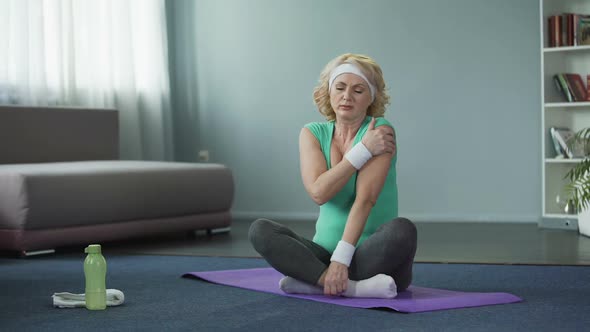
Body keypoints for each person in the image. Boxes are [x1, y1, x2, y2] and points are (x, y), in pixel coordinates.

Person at [248, 53, 417, 299]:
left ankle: (316, 281)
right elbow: (319, 192)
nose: (347, 96)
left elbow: (365, 200)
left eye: (358, 90)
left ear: (371, 97)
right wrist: (362, 151)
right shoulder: (313, 133)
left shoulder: (379, 131)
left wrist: (342, 259)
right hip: (324, 255)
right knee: (260, 230)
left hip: (373, 258)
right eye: (340, 87)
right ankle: (352, 288)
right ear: (329, 91)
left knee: (403, 230)